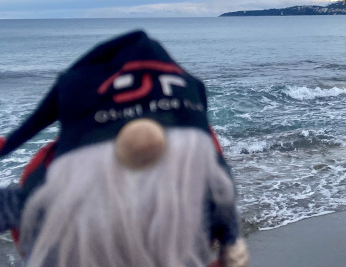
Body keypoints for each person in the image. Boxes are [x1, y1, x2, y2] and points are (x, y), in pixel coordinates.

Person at [0, 30, 248, 267]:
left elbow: (221, 204)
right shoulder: (198, 190)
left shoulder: (44, 199)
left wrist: (230, 240)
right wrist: (231, 244)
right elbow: (220, 199)